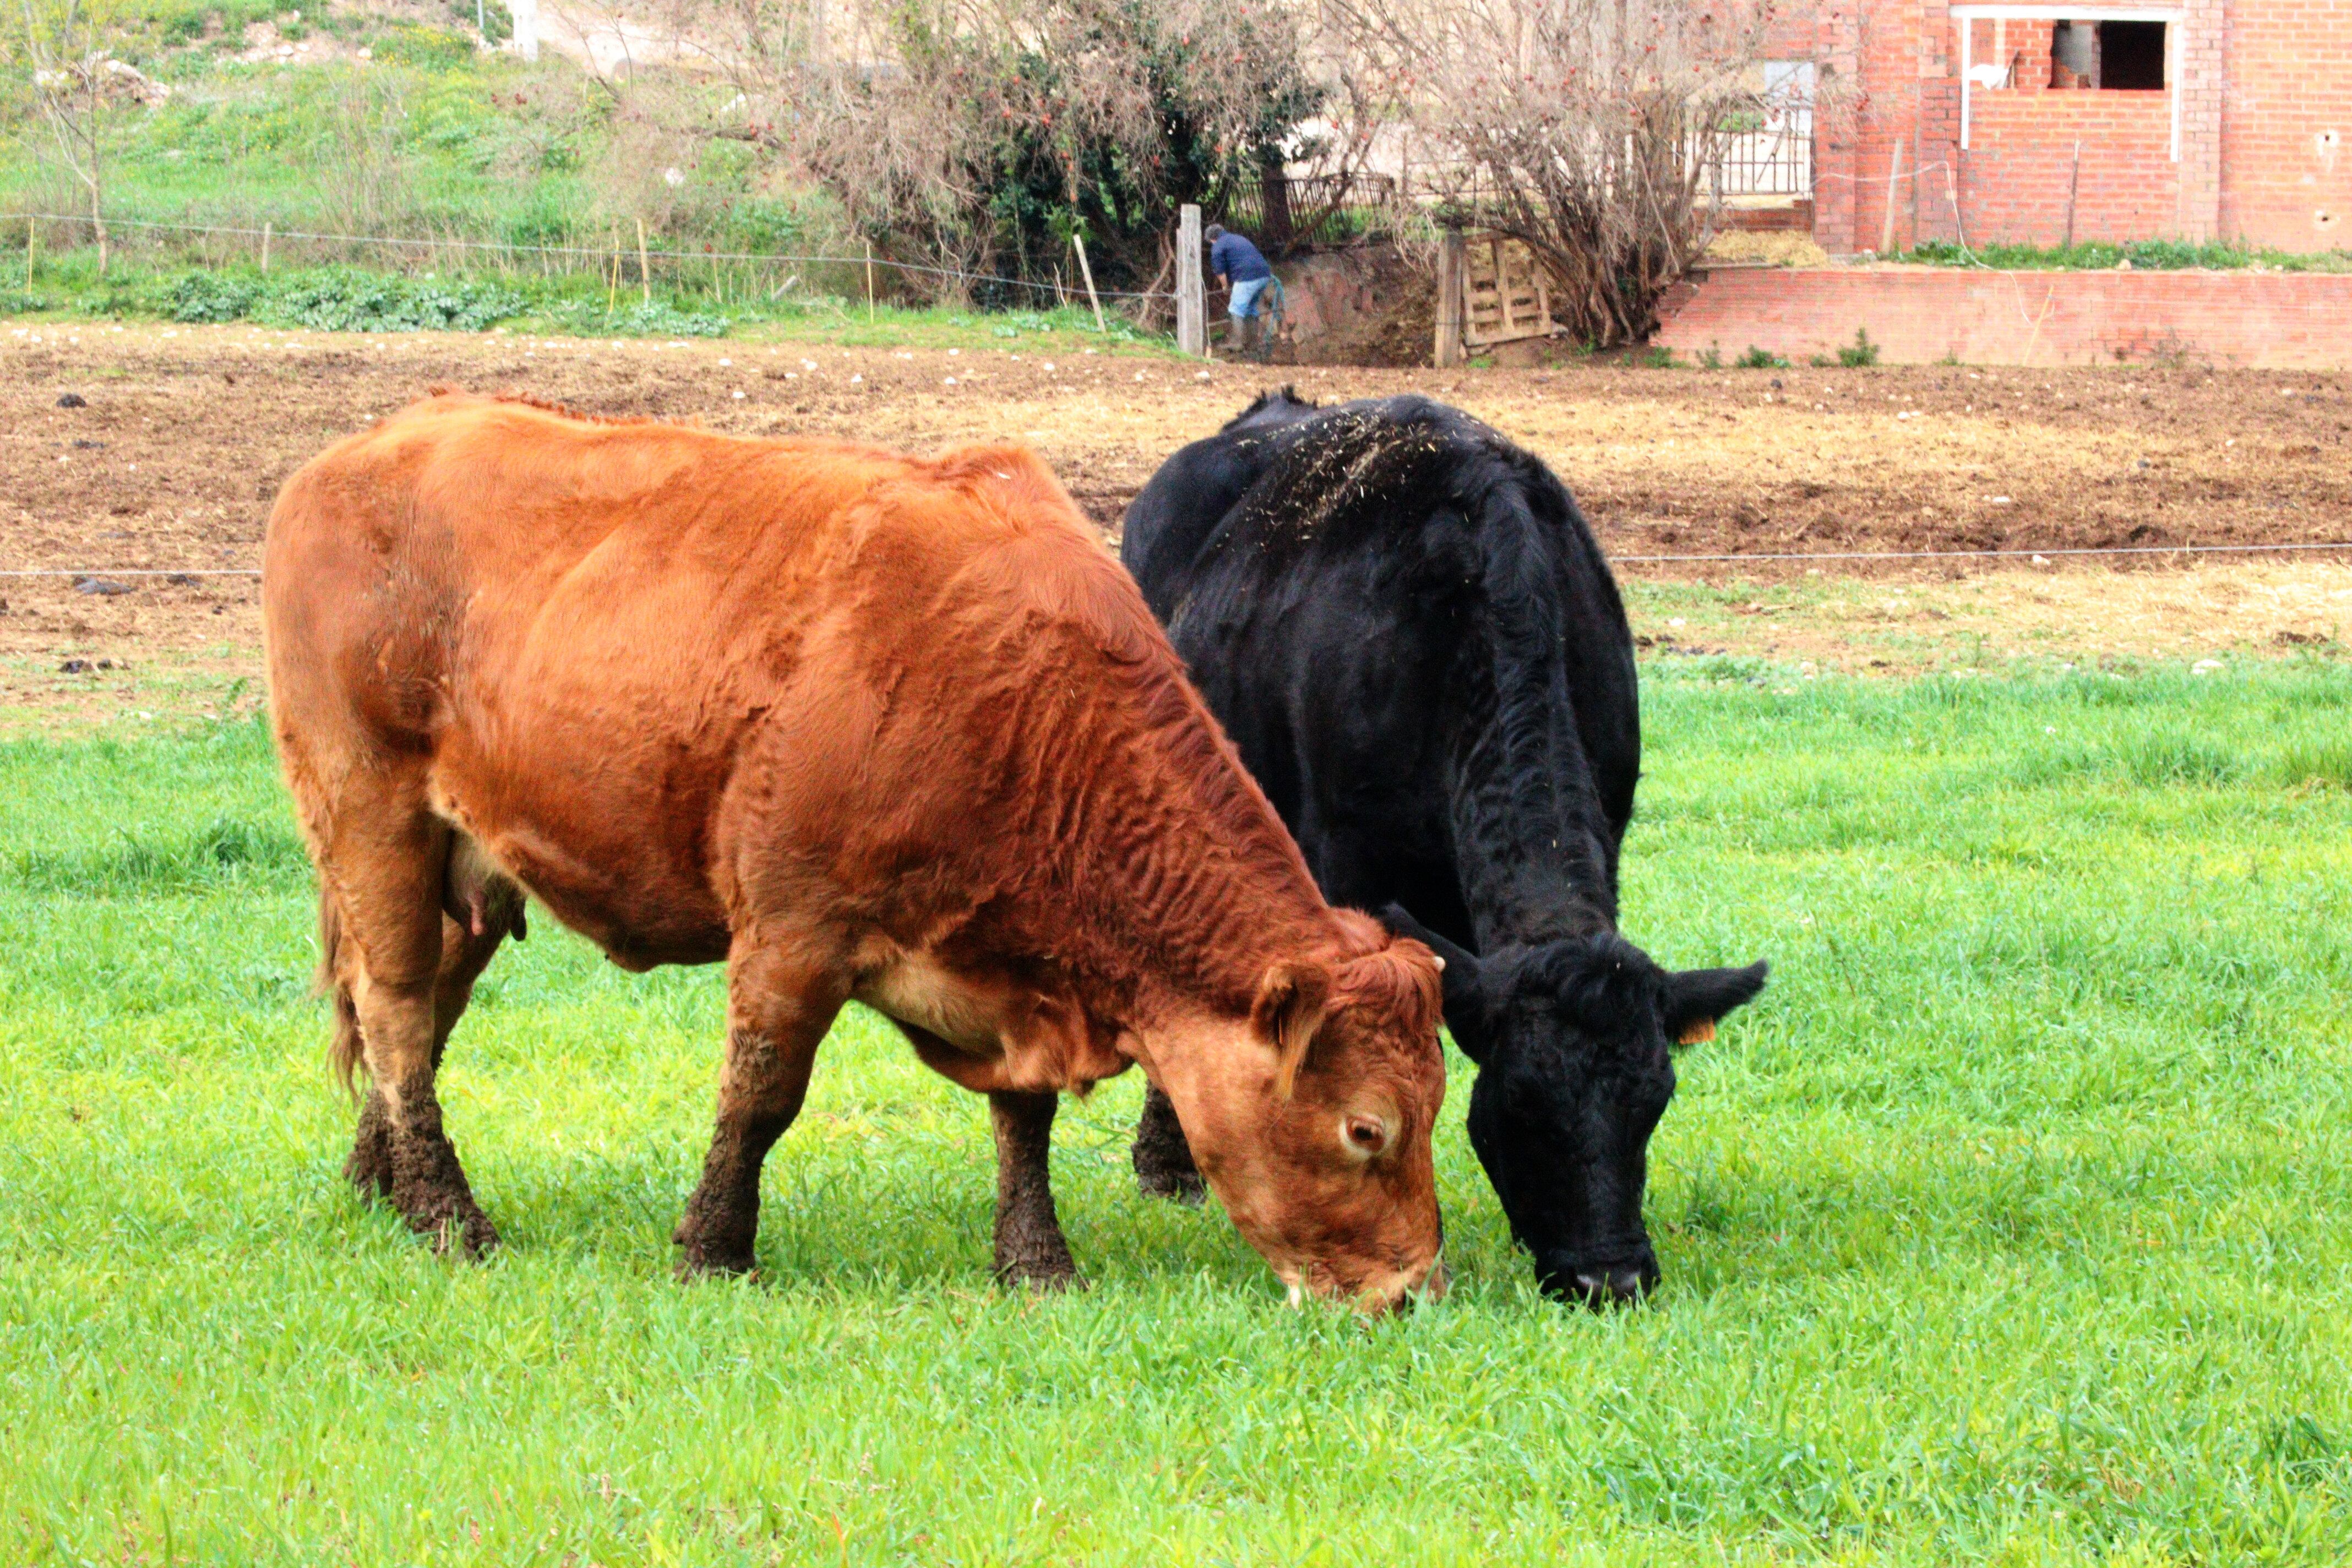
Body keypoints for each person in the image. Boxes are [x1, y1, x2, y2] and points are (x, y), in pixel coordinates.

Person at [1205, 223, 1275, 361]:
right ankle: (1253, 344)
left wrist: (1225, 287)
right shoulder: (1237, 238)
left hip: (1247, 277)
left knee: (1236, 309)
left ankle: (1236, 343)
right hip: (1264, 275)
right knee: (1250, 309)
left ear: (1213, 239)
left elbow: (1220, 271)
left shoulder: (1218, 246)